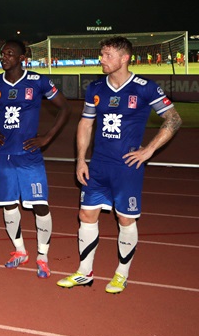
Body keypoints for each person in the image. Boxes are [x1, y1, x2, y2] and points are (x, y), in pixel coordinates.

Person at [58, 36, 182, 294]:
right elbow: (86, 124)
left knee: (125, 218)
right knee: (85, 215)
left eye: (108, 55)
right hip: (98, 165)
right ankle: (84, 272)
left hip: (127, 167)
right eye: (102, 54)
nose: (101, 59)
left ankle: (121, 274)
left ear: (125, 58)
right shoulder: (95, 88)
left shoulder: (145, 88)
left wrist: (149, 150)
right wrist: (80, 159)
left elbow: (173, 119)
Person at [0, 39, 70, 278]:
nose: (4, 57)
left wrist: (47, 138)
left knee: (40, 205)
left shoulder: (37, 81)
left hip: (30, 156)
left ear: (22, 58)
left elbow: (65, 108)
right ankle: (20, 251)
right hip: (4, 155)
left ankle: (43, 256)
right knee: (8, 204)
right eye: (2, 53)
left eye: (9, 53)